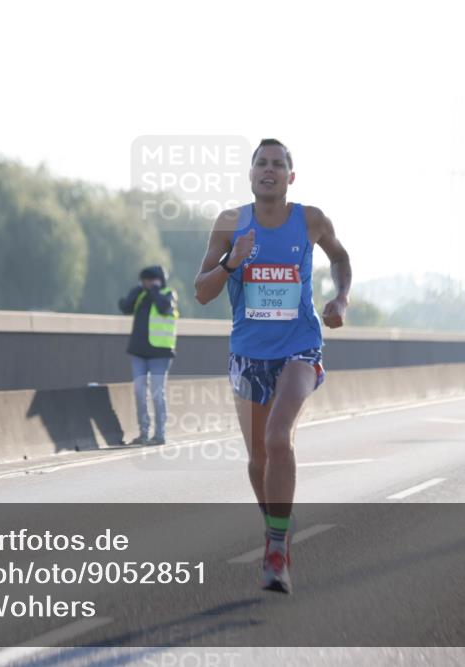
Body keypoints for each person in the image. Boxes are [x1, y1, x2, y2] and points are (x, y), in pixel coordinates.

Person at [193, 139, 351, 593]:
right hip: (248, 354)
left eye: (278, 164)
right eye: (261, 163)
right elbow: (202, 292)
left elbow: (339, 257)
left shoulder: (310, 220)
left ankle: (278, 550)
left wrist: (340, 298)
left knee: (278, 438)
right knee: (258, 458)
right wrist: (232, 261)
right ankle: (274, 529)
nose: (269, 169)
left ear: (290, 177)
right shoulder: (230, 224)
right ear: (250, 174)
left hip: (298, 349)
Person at [118, 265, 178, 446]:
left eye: (150, 279)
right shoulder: (141, 295)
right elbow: (125, 307)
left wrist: (155, 290)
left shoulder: (168, 294)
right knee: (139, 391)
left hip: (160, 353)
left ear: (159, 279)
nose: (146, 283)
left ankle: (160, 434)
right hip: (139, 351)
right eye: (144, 280)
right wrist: (135, 292)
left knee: (157, 393)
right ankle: (143, 432)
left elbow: (163, 307)